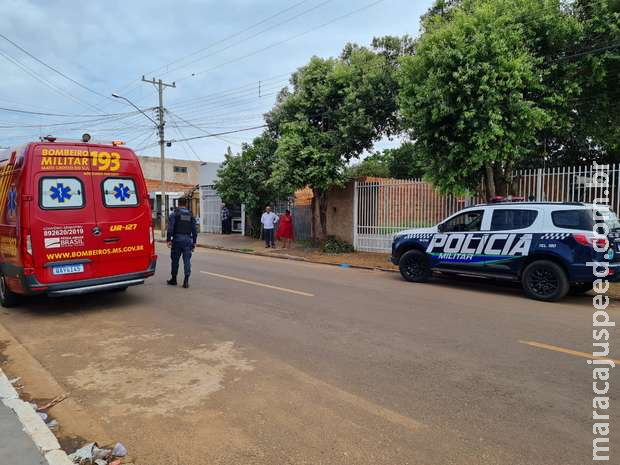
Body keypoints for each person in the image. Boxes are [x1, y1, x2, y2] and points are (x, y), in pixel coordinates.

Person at [166, 197, 197, 289]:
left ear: (178, 204)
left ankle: (174, 279)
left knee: (175, 260)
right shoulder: (191, 215)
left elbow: (170, 228)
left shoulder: (174, 214)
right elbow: (194, 230)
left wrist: (168, 239)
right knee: (187, 260)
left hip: (177, 240)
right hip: (188, 240)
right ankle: (186, 281)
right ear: (186, 204)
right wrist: (194, 242)